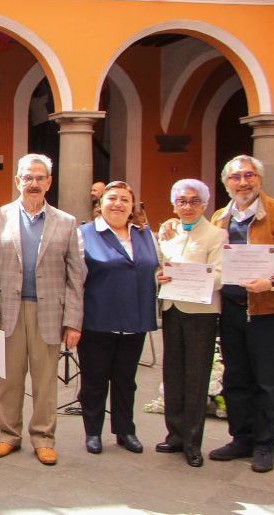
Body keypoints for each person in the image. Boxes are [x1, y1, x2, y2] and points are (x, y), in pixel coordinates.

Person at [205, 155, 274, 473]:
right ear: (226, 184)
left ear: (259, 179)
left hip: (268, 312)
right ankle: (241, 439)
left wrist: (271, 281)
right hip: (232, 311)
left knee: (266, 382)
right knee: (235, 379)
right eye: (235, 177)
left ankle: (265, 445)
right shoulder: (219, 219)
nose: (242, 182)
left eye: (248, 175)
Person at [0, 154, 84, 466]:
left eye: (40, 178)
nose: (33, 183)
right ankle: (9, 435)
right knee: (8, 378)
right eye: (28, 177)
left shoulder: (66, 222)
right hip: (8, 310)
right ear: (17, 181)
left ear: (49, 182)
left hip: (49, 310)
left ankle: (43, 438)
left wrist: (74, 321)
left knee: (45, 379)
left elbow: (76, 275)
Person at [76, 181, 161, 455]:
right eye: (112, 198)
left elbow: (155, 267)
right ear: (100, 204)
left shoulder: (144, 234)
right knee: (94, 379)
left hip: (134, 320)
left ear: (132, 206)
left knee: (126, 380)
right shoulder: (84, 234)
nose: (118, 204)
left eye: (125, 199)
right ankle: (93, 432)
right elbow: (75, 278)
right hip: (97, 320)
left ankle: (125, 430)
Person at [154, 178, 227, 468]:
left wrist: (192, 277)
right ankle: (174, 434)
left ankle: (192, 442)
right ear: (174, 204)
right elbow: (160, 266)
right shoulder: (167, 232)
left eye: (194, 201)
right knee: (172, 373)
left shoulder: (215, 235)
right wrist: (158, 277)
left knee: (196, 376)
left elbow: (221, 275)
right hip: (172, 308)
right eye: (182, 201)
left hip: (200, 312)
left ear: (204, 204)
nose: (187, 206)